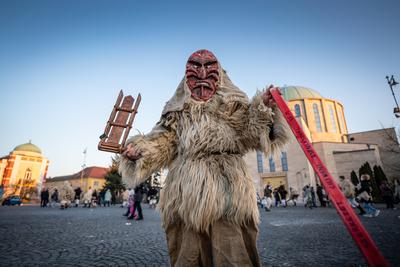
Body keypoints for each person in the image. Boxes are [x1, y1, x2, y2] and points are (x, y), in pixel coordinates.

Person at [119, 49, 290, 266]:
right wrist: (139, 152)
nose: (201, 74)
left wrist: (264, 107)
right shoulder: (177, 111)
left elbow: (252, 131)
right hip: (185, 195)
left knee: (232, 253)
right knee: (188, 255)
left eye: (208, 69)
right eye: (195, 69)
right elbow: (163, 142)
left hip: (229, 193)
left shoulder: (233, 105)